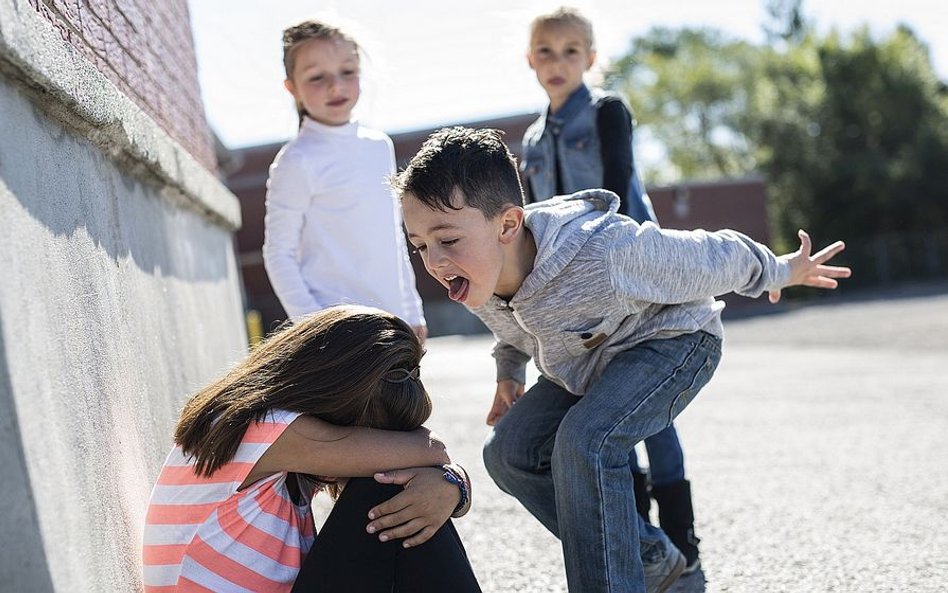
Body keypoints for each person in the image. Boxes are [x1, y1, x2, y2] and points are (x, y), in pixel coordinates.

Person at [394, 127, 851, 593]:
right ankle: (649, 556)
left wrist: (779, 269)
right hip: (588, 363)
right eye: (419, 245)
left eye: (447, 239)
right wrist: (508, 374)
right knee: (508, 454)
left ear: (508, 225)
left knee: (585, 440)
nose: (434, 261)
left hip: (673, 342)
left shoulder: (605, 252)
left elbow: (714, 254)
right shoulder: (476, 274)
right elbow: (513, 328)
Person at [520, 6, 700, 572]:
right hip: (575, 298)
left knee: (653, 415)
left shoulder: (606, 112)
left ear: (591, 59)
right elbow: (533, 220)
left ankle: (683, 543)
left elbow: (619, 191)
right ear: (530, 60)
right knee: (603, 412)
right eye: (546, 51)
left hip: (632, 280)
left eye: (571, 51)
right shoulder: (530, 139)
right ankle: (645, 546)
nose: (558, 62)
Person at [142, 305, 481, 592]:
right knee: (383, 486)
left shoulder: (278, 442)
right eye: (367, 435)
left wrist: (451, 486)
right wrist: (452, 481)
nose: (373, 447)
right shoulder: (261, 427)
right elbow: (431, 450)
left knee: (402, 490)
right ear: (335, 400)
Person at [263, 19, 427, 341]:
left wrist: (412, 311)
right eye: (316, 77)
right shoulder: (297, 161)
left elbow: (393, 237)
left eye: (347, 72)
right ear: (292, 88)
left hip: (393, 324)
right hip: (337, 334)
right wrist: (313, 326)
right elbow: (278, 253)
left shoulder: (380, 146)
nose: (335, 86)